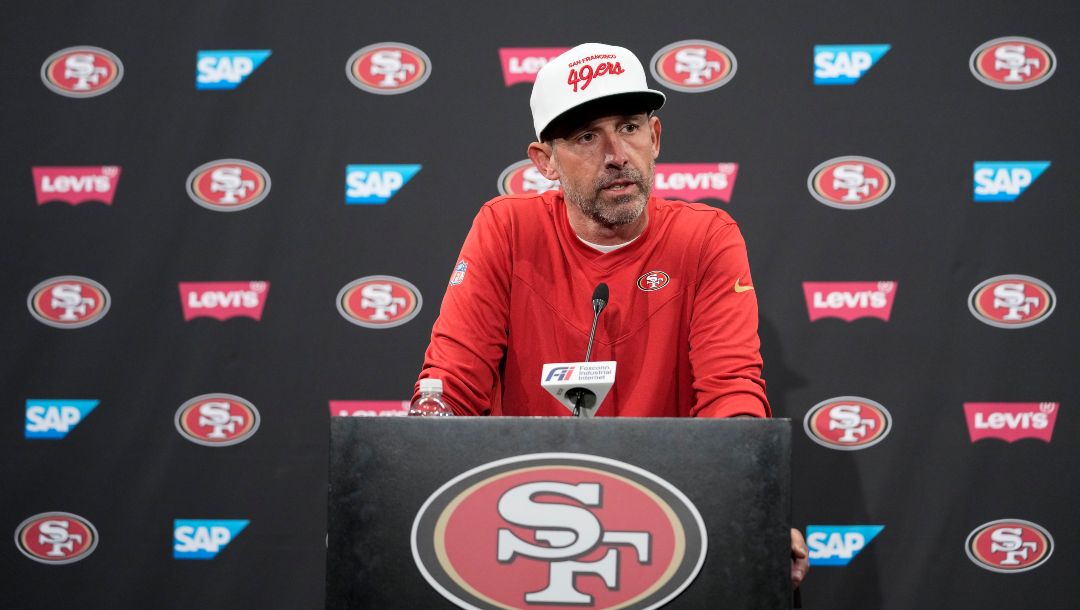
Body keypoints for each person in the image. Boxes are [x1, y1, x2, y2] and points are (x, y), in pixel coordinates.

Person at [414, 42, 808, 588]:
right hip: (522, 522)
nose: (616, 154)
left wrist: (753, 502)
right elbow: (450, 388)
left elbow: (731, 392)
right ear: (544, 161)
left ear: (656, 137)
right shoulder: (506, 230)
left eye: (629, 127)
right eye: (585, 137)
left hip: (671, 521)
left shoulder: (706, 238)